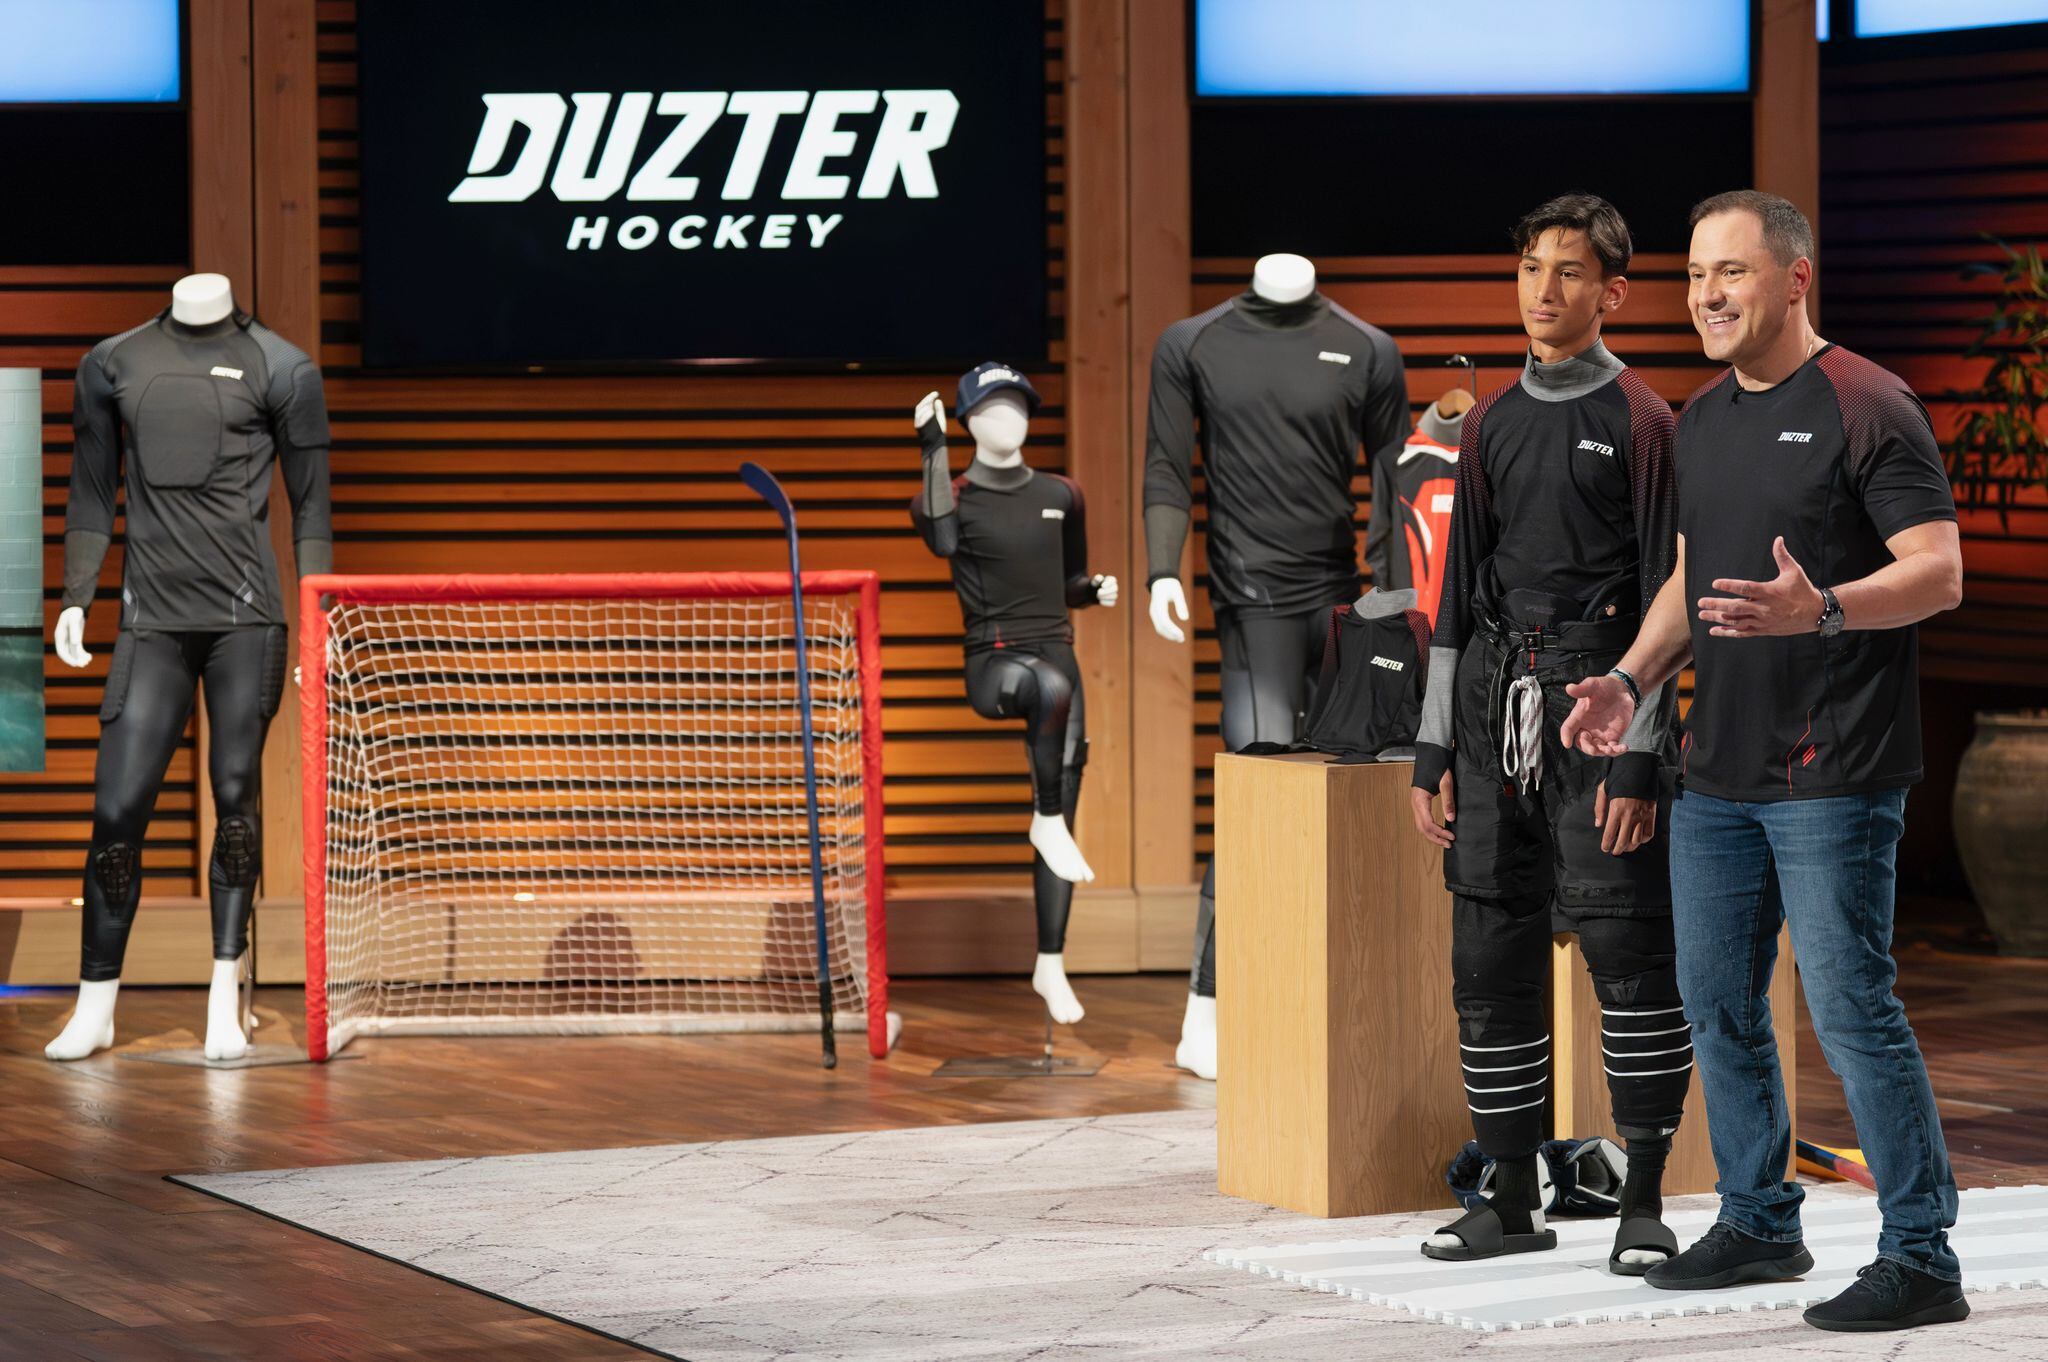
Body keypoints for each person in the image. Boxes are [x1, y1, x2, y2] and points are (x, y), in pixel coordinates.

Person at [1562, 189, 1968, 1332]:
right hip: (1718, 774)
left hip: (1833, 771)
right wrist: (1629, 679)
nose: (1706, 295)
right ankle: (1756, 1221)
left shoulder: (1866, 404)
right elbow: (1688, 579)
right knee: (1716, 1004)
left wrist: (1820, 607)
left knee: (1848, 1011)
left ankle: (1920, 1254)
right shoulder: (1699, 421)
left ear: (1793, 279)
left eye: (1729, 273)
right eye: (1695, 275)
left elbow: (1936, 572)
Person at [1408, 194, 1687, 1273]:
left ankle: (1644, 1199)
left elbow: (1668, 601)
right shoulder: (1486, 422)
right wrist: (1433, 749)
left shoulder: (1643, 420)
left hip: (1598, 711)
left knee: (1628, 954)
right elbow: (1451, 595)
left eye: (1568, 271)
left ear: (1612, 293)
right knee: (1488, 958)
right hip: (1491, 712)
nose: (1543, 289)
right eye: (1530, 267)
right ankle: (1512, 1197)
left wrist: (1640, 758)